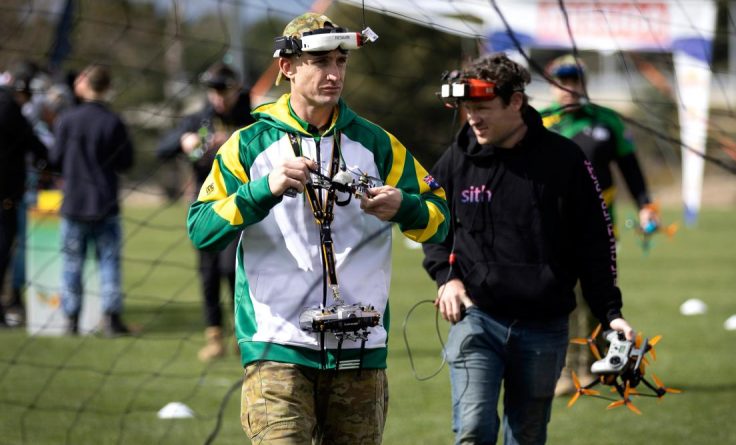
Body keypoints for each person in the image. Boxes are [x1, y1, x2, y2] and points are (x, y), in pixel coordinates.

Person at [186, 13, 449, 444]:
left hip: (361, 349)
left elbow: (441, 222)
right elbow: (202, 229)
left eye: (340, 61)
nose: (334, 73)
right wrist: (261, 190)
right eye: (320, 61)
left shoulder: (378, 143)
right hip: (276, 347)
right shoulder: (248, 144)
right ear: (287, 67)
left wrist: (406, 208)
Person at [421, 54, 635, 445]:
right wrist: (446, 277)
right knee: (473, 429)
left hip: (544, 324)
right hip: (476, 317)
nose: (473, 118)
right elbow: (431, 221)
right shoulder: (456, 158)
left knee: (527, 435)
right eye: (467, 108)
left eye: (482, 107)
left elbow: (595, 242)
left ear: (516, 102)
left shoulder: (565, 159)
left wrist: (611, 313)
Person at [539, 54, 656, 394]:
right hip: (551, 229)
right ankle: (566, 370)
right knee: (562, 299)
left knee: (595, 299)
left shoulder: (608, 122)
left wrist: (646, 204)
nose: (569, 87)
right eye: (562, 80)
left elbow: (631, 168)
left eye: (575, 79)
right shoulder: (539, 122)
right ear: (550, 84)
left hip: (600, 227)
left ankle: (593, 365)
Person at [156, 62, 254, 362]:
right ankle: (214, 337)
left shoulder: (251, 119)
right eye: (213, 90)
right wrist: (184, 141)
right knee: (208, 274)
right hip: (205, 207)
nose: (218, 96)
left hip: (240, 205)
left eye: (223, 89)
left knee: (232, 270)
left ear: (237, 88)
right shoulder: (200, 118)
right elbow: (163, 148)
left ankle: (243, 333)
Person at [50, 64, 134, 336]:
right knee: (109, 264)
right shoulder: (113, 121)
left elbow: (55, 159)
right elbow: (127, 161)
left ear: (85, 85)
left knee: (71, 265)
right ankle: (111, 319)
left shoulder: (67, 119)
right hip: (105, 203)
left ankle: (71, 320)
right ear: (108, 87)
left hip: (74, 203)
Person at [0, 63, 49, 327]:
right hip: (5, 193)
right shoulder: (9, 109)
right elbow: (35, 144)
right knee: (4, 248)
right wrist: (50, 160)